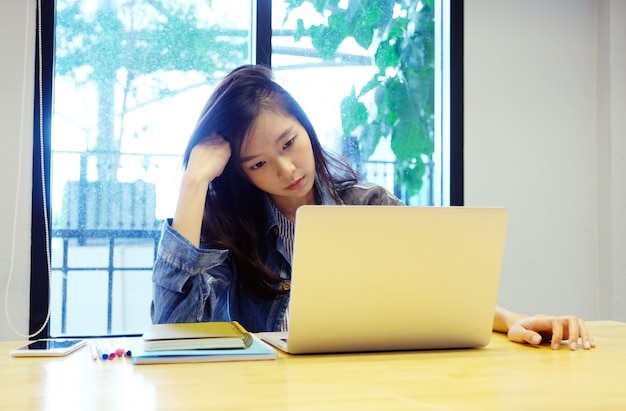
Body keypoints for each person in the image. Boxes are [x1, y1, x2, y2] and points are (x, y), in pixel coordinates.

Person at [151, 64, 595, 351]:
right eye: (259, 163)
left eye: (289, 142)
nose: (286, 169)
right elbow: (173, 331)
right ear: (242, 173)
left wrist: (517, 320)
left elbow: (436, 292)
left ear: (306, 127)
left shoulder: (369, 204)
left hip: (365, 386)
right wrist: (193, 184)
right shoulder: (232, 231)